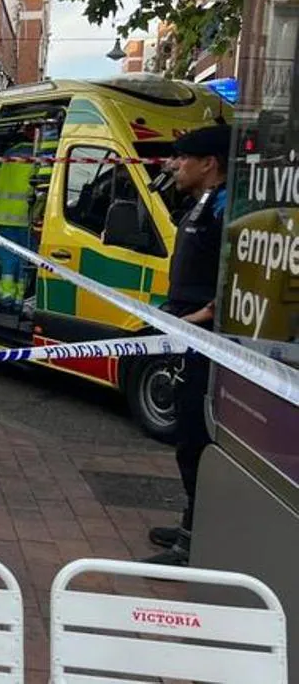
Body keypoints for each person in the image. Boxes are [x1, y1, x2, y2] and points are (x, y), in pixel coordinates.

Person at [144, 123, 230, 567]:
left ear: (209, 164)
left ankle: (195, 541)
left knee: (197, 438)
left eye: (182, 157)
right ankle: (189, 523)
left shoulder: (226, 208)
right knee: (185, 438)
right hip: (187, 336)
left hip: (206, 342)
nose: (175, 165)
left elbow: (233, 280)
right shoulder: (202, 202)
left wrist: (194, 320)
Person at [0, 137, 35, 311]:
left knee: (7, 262)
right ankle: (21, 301)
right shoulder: (39, 161)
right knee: (25, 262)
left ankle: (6, 299)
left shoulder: (4, 161)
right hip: (28, 222)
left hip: (2, 220)